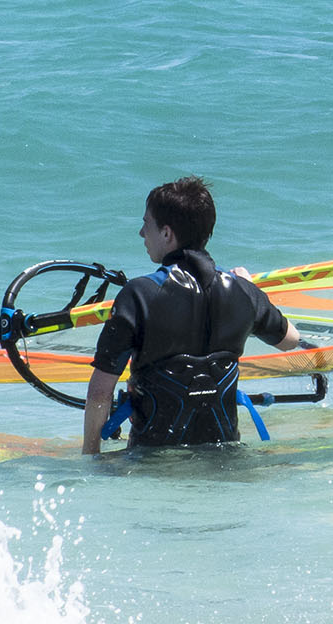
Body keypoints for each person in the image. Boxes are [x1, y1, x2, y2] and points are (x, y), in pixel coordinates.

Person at [82, 176, 304, 454]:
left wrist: (90, 456)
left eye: (146, 224)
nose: (141, 233)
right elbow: (291, 341)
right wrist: (252, 290)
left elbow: (100, 390)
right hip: (225, 454)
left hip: (154, 461)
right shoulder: (243, 292)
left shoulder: (137, 295)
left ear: (166, 234)